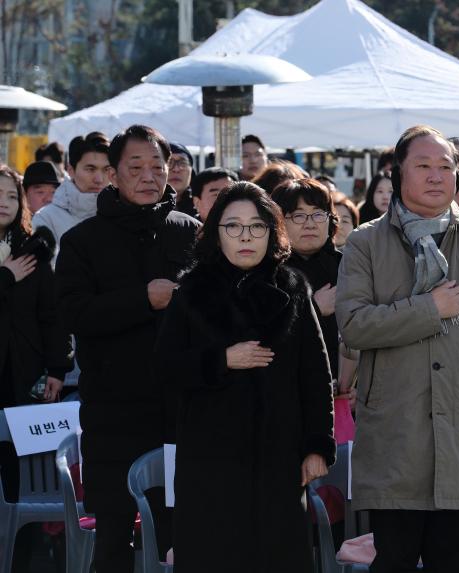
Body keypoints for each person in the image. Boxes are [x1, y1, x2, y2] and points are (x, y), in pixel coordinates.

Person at [336, 124, 459, 573]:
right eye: (423, 165)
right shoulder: (366, 242)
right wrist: (430, 308)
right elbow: (353, 326)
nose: (438, 175)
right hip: (395, 438)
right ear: (397, 171)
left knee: (455, 561)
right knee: (396, 560)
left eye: (447, 166)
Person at [154, 182, 334, 573]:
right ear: (216, 233)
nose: (246, 236)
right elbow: (166, 367)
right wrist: (221, 360)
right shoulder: (191, 291)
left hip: (278, 455)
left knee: (278, 555)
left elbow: (316, 375)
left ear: (272, 232)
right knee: (214, 555)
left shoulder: (293, 288)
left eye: (256, 226)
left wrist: (317, 445)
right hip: (208, 457)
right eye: (233, 226)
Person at [55, 125, 200, 573]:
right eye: (135, 167)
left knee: (184, 536)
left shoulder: (193, 234)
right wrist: (143, 300)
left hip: (183, 411)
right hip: (113, 414)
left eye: (158, 166)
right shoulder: (83, 241)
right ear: (114, 175)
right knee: (115, 538)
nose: (148, 176)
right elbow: (74, 315)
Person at [0, 165, 71, 407]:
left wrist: (58, 368)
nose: (5, 202)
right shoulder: (14, 264)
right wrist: (6, 277)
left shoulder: (32, 251)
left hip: (24, 373)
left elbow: (52, 314)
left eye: (12, 196)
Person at [272, 178, 342, 384]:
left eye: (318, 214)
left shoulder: (350, 266)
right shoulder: (267, 272)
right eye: (298, 215)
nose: (310, 223)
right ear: (278, 221)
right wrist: (314, 309)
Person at [31, 131, 111, 262]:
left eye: (106, 169)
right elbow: (42, 273)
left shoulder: (123, 213)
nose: (99, 179)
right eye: (90, 169)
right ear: (71, 170)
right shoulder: (46, 218)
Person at [168, 142, 196, 218]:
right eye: (169, 163)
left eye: (183, 163)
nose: (176, 169)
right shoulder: (146, 204)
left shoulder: (201, 205)